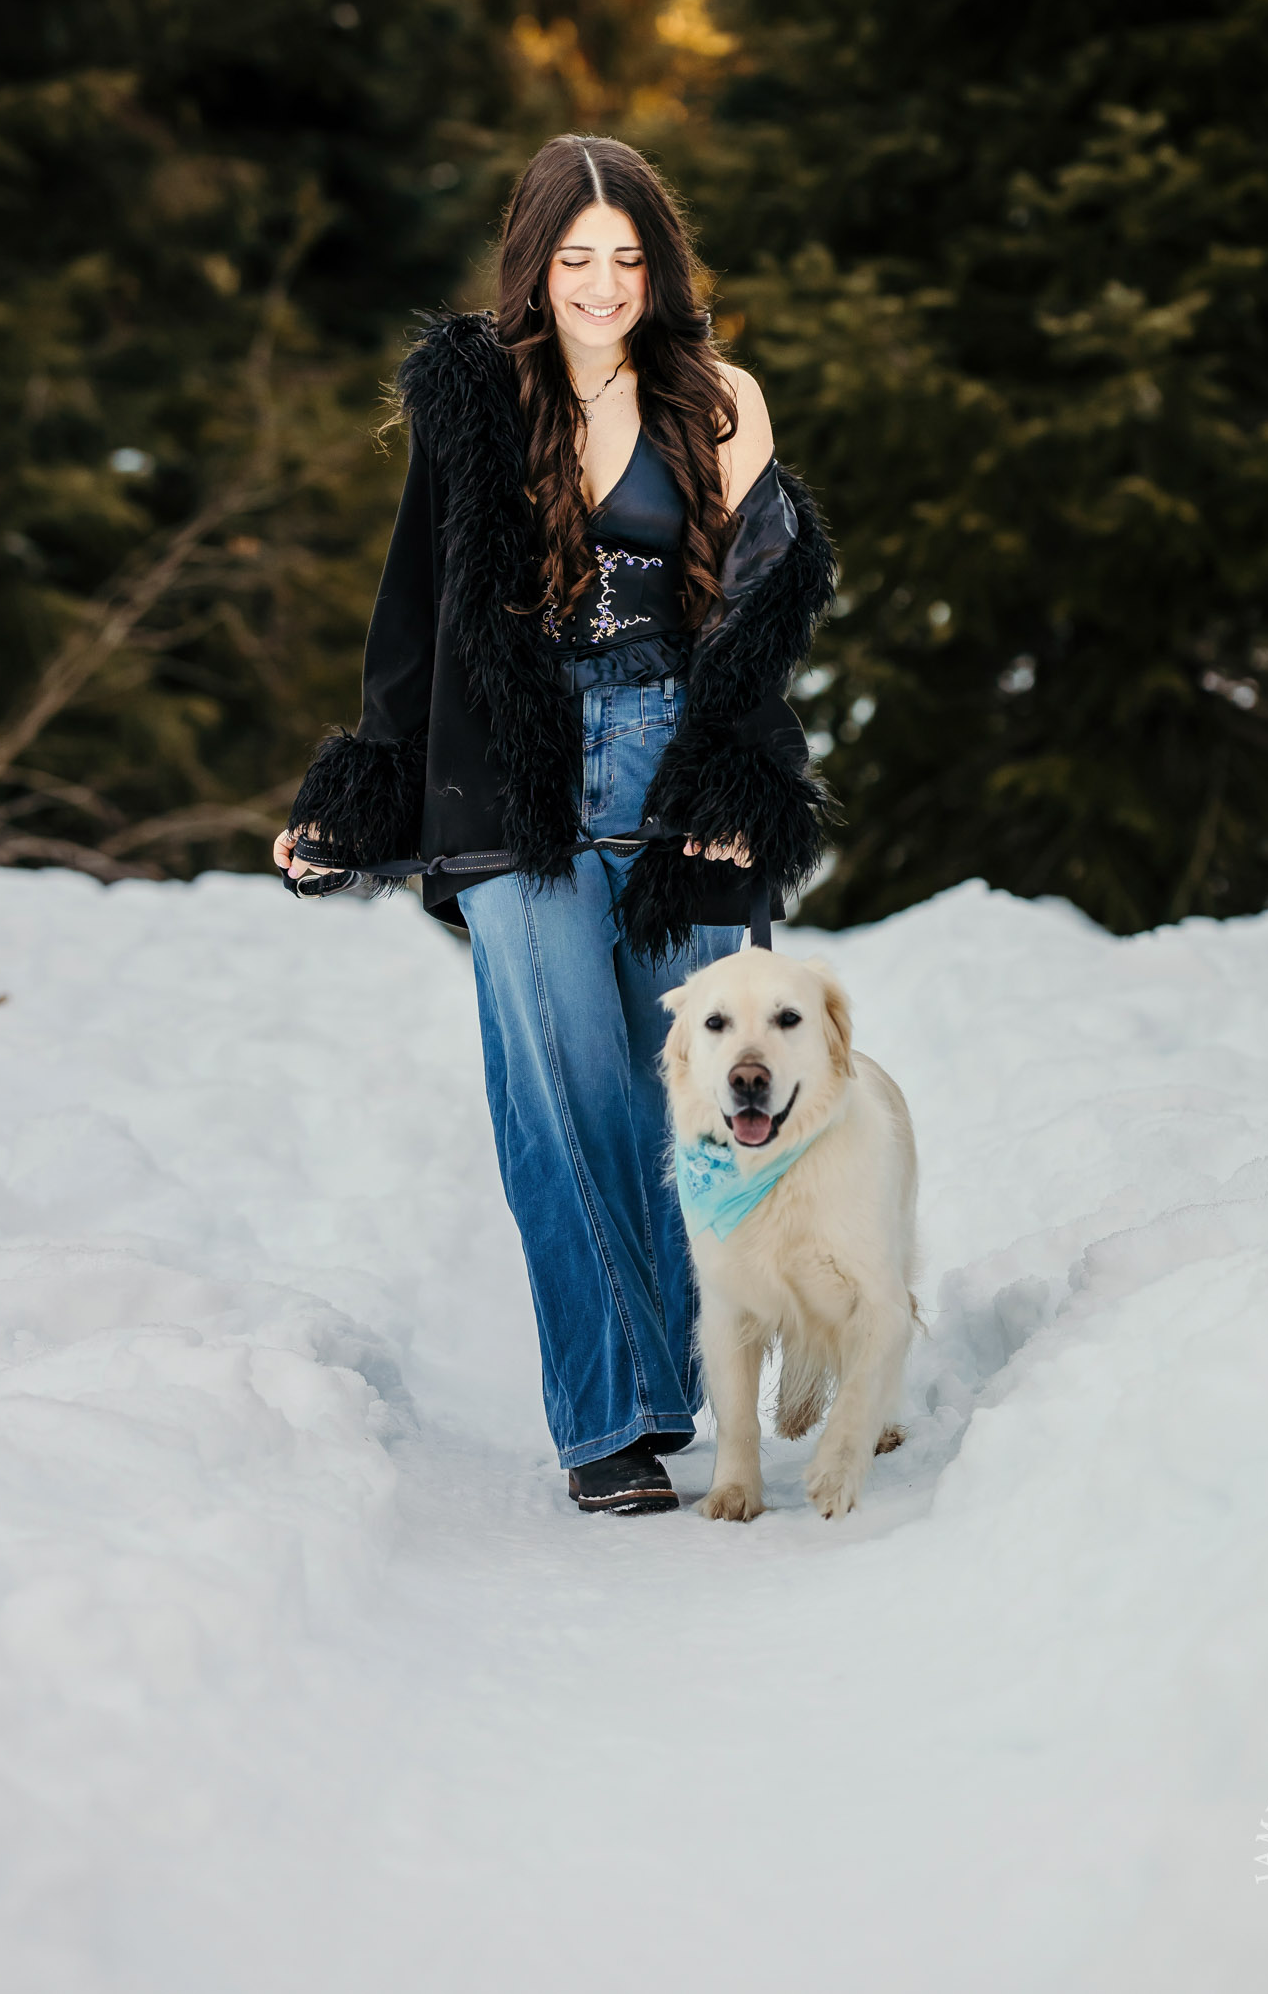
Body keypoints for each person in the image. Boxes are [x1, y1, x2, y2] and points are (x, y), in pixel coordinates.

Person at [273, 135, 836, 1515]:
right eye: (575, 259)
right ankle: (607, 1422)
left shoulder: (720, 401)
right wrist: (363, 799)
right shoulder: (469, 401)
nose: (601, 284)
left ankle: (677, 1377)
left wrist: (736, 789)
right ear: (534, 265)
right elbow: (414, 620)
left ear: (660, 266)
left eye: (627, 258)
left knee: (702, 1104)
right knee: (563, 1102)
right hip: (509, 785)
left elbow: (757, 625)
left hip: (678, 774)